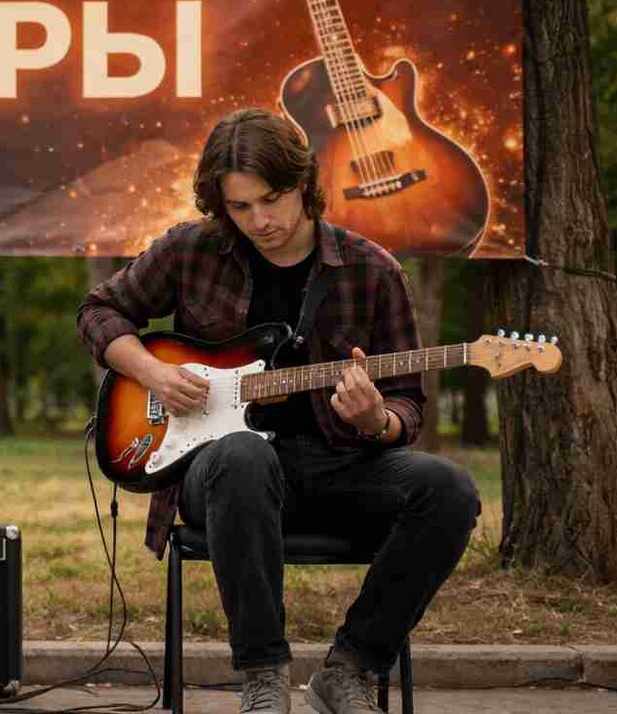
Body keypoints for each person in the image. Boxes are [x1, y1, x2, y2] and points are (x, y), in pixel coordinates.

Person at [76, 108, 480, 714]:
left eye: (271, 200)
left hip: (338, 468)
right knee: (243, 455)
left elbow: (408, 406)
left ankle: (351, 668)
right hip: (221, 476)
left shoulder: (372, 271)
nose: (259, 221)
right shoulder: (191, 249)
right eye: (240, 207)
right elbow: (98, 311)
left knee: (448, 489)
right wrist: (151, 371)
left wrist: (376, 420)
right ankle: (263, 676)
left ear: (304, 183)